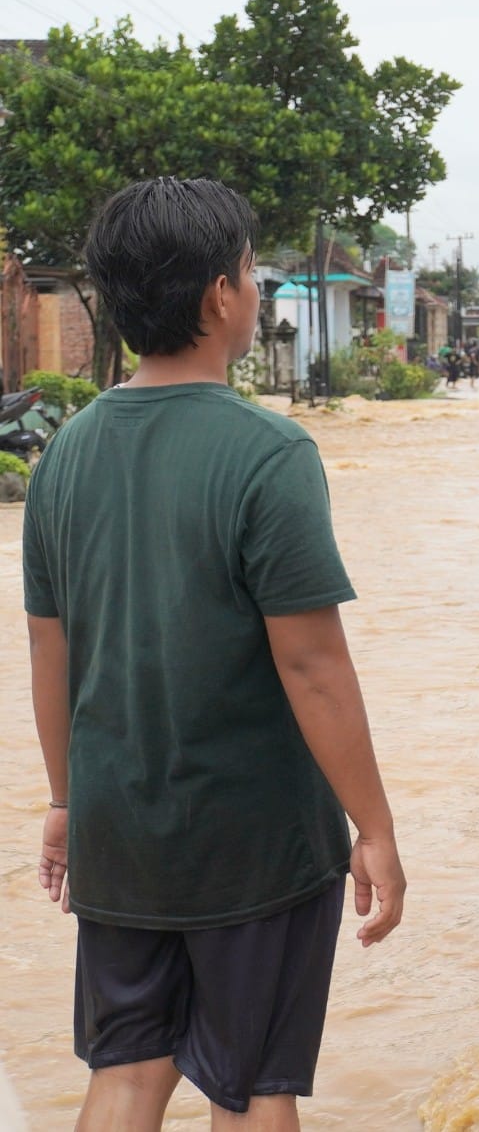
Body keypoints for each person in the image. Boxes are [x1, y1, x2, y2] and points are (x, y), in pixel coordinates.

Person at [23, 177, 405, 1130]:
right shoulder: (268, 453)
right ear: (219, 298)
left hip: (119, 830)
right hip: (254, 843)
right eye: (248, 269)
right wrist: (377, 829)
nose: (253, 286)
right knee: (250, 1086)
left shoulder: (64, 452)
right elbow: (313, 665)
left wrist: (67, 801)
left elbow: (48, 651)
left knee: (127, 1070)